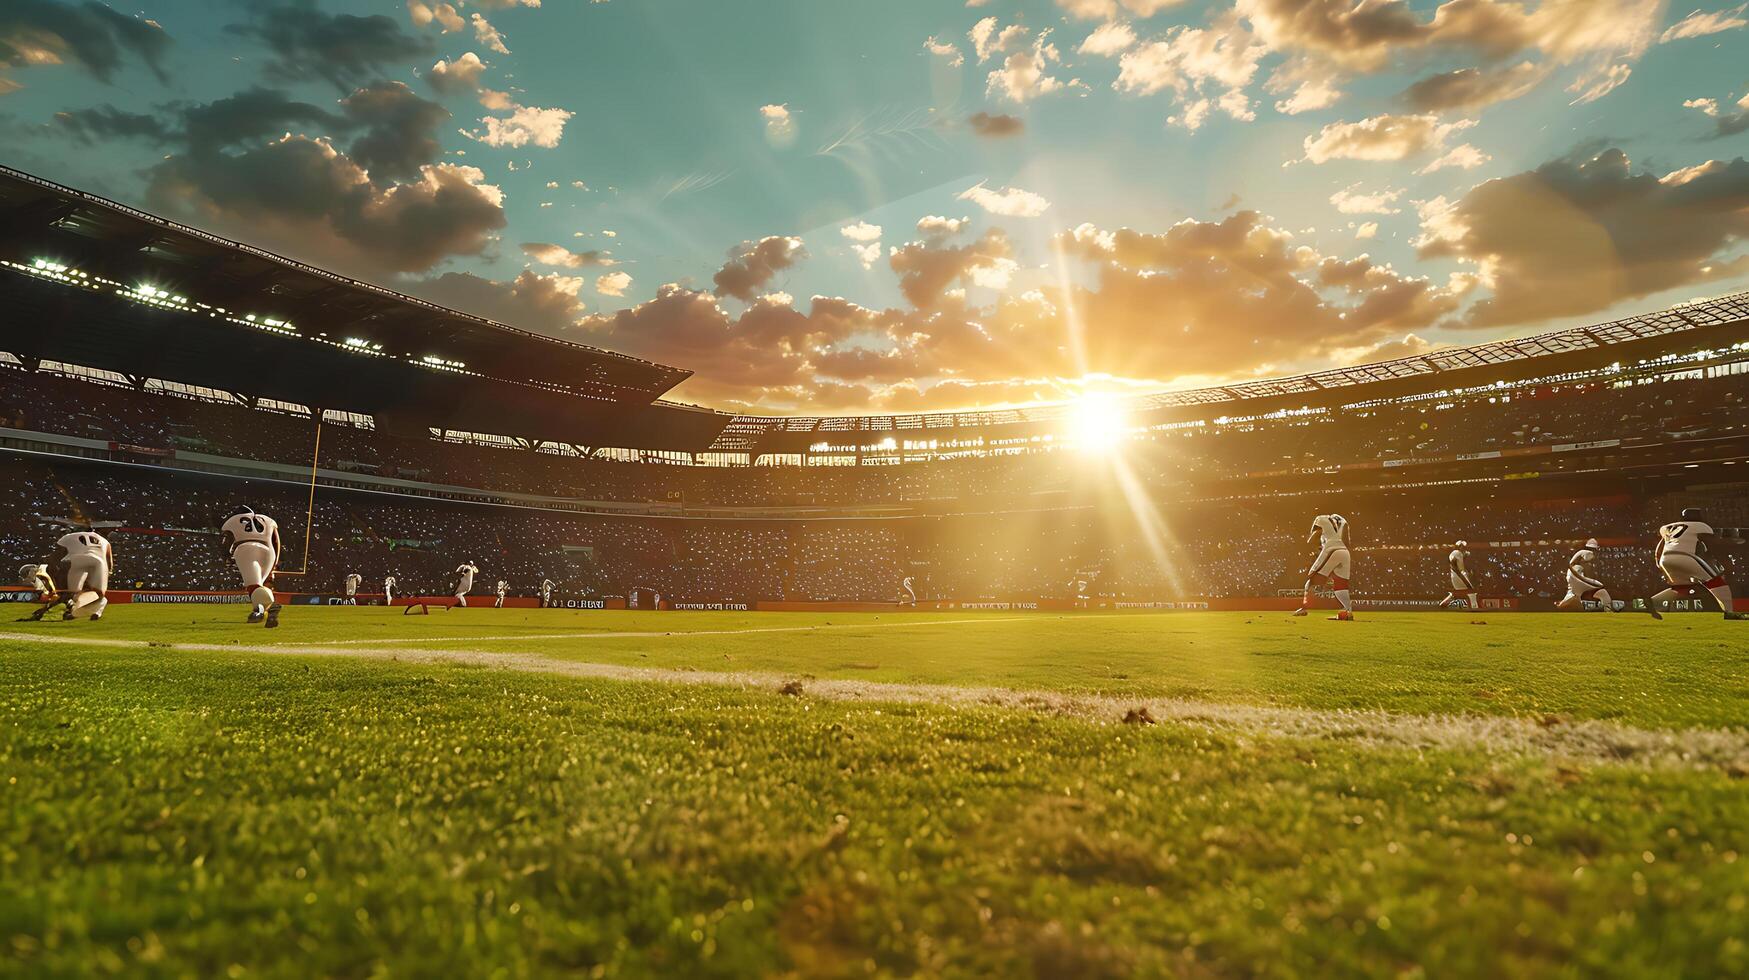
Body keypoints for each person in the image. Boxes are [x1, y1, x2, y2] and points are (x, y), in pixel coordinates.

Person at [1648, 509, 1748, 620]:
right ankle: (1729, 613)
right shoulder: (1701, 526)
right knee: (1718, 583)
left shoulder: (1668, 527)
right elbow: (1712, 545)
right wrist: (1725, 559)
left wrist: (1658, 561)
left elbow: (1660, 546)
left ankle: (1651, 603)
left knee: (1681, 588)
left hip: (1666, 559)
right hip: (1687, 557)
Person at [221, 506, 281, 628]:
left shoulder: (233, 520)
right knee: (259, 586)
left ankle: (269, 607)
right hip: (269, 551)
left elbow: (227, 539)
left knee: (253, 586)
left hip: (246, 548)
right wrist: (275, 561)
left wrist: (227, 556)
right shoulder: (268, 520)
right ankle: (261, 611)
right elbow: (276, 541)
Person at [1293, 513, 1354, 620]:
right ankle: (1348, 612)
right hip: (1345, 553)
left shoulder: (1322, 522)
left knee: (1310, 582)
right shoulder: (1337, 530)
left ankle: (1304, 608)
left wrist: (1312, 571)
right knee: (1340, 585)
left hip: (1333, 550)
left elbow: (1320, 544)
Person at [52, 528, 112, 621]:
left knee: (74, 592)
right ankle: (95, 612)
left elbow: (57, 553)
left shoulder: (67, 537)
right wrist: (108, 572)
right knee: (99, 594)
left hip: (76, 560)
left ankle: (72, 610)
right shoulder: (105, 541)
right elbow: (109, 560)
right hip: (98, 562)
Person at [1557, 539, 1621, 613]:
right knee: (1599, 586)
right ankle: (1608, 610)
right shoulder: (1588, 553)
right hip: (1576, 576)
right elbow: (1585, 560)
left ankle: (1560, 605)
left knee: (1602, 593)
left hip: (1572, 577)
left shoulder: (1580, 553)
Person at [1440, 540, 1479, 610]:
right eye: (1463, 547)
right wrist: (1467, 574)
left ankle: (1443, 603)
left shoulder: (1453, 553)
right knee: (1472, 592)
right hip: (1459, 576)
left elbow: (1455, 562)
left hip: (1454, 576)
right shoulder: (1458, 553)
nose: (1464, 548)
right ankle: (1475, 609)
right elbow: (1461, 568)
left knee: (1457, 593)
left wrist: (1464, 556)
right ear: (1459, 547)